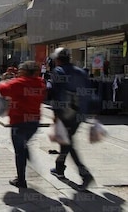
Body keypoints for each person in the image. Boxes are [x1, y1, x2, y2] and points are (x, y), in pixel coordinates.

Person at [48, 47, 94, 191]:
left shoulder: (58, 71)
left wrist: (55, 115)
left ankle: (85, 174)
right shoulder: (81, 71)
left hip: (65, 112)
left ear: (57, 59)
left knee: (68, 143)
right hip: (81, 113)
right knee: (66, 141)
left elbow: (54, 94)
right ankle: (59, 168)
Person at [0, 61, 46, 188]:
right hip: (34, 122)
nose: (18, 72)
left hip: (19, 122)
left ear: (24, 71)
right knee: (23, 146)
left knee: (19, 151)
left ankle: (21, 180)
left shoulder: (18, 83)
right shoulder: (40, 83)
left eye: (20, 70)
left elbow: (2, 90)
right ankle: (29, 162)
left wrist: (3, 81)